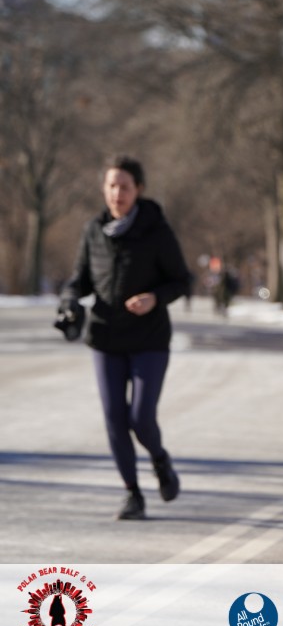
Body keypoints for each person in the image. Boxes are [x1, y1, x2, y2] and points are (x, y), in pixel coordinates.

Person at [58, 156, 191, 520]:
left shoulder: (156, 230)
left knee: (141, 418)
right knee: (114, 418)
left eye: (125, 186)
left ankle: (160, 461)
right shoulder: (93, 230)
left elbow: (182, 280)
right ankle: (132, 493)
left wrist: (154, 298)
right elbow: (80, 279)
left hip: (149, 339)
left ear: (139, 190)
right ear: (104, 189)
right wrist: (70, 300)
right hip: (106, 338)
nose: (118, 193)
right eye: (112, 186)